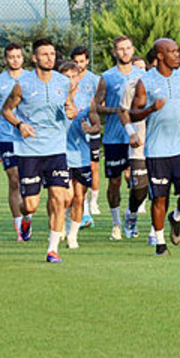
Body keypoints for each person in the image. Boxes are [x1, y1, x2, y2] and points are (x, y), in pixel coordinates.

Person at [2, 39, 78, 264]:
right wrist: (19, 125)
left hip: (56, 148)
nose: (49, 58)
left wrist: (71, 111)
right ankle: (26, 218)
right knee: (31, 204)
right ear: (34, 58)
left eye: (52, 54)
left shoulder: (64, 82)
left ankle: (53, 249)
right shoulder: (22, 84)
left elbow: (68, 105)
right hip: (29, 150)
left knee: (59, 198)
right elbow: (6, 109)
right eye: (44, 54)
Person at [129, 38, 180, 256]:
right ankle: (160, 244)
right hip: (157, 150)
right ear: (160, 56)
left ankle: (176, 217)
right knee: (159, 197)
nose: (177, 55)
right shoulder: (146, 81)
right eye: (172, 52)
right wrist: (150, 108)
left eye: (177, 51)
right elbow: (133, 112)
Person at [92, 36, 144, 238]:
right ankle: (116, 223)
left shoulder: (142, 75)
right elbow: (96, 105)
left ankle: (131, 217)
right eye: (121, 49)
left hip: (137, 137)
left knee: (136, 181)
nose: (125, 52)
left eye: (128, 48)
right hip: (114, 137)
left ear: (132, 50)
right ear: (114, 52)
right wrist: (118, 110)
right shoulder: (107, 77)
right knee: (114, 182)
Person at [0, 43, 28, 241]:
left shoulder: (31, 79)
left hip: (30, 138)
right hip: (8, 137)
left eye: (18, 56)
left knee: (28, 182)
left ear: (23, 58)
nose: (15, 60)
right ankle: (20, 225)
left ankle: (28, 214)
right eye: (11, 56)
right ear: (5, 59)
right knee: (14, 179)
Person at [61, 59, 101, 249]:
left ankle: (72, 235)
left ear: (78, 77)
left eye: (73, 76)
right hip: (60, 154)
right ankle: (59, 223)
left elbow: (96, 125)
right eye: (66, 77)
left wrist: (90, 129)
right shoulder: (54, 97)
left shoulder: (87, 99)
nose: (70, 80)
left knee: (79, 197)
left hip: (81, 154)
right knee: (66, 196)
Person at [119, 56, 151, 240]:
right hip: (139, 144)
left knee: (159, 189)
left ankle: (157, 231)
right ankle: (131, 215)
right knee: (139, 191)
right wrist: (131, 132)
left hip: (160, 145)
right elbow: (123, 112)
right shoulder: (130, 86)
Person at [70, 46, 103, 221]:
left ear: (87, 61)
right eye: (75, 61)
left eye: (81, 61)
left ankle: (93, 202)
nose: (79, 64)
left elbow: (99, 103)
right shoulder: (68, 80)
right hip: (73, 134)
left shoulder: (95, 80)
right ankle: (81, 209)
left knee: (93, 166)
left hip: (91, 130)